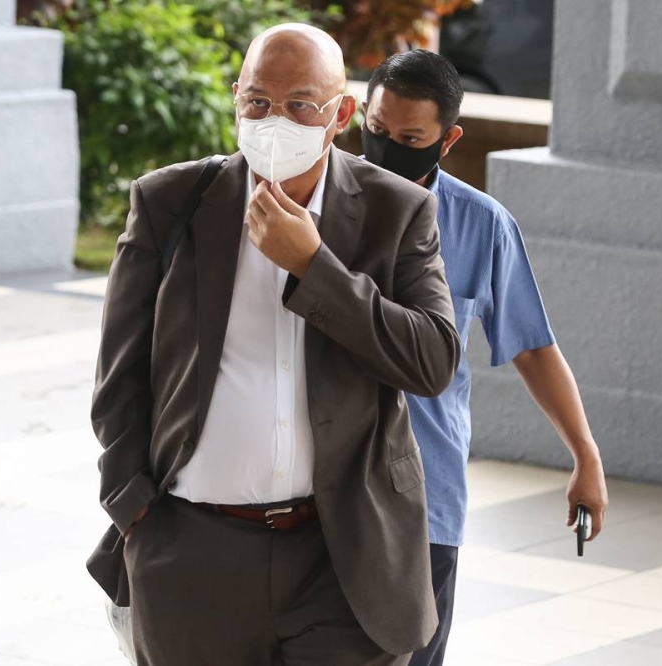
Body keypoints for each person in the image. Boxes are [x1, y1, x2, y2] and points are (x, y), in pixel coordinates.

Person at [87, 25, 461, 666]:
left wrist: (316, 268)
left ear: (341, 114)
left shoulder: (393, 210)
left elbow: (432, 361)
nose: (273, 120)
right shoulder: (169, 202)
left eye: (298, 105)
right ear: (235, 99)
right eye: (257, 101)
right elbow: (119, 381)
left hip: (344, 558)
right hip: (192, 554)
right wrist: (138, 517)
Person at [361, 50, 610, 666]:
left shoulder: (483, 226)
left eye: (410, 139)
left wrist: (586, 456)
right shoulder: (316, 205)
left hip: (426, 497)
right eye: (376, 131)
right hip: (316, 489)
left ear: (448, 140)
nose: (389, 148)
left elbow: (533, 347)